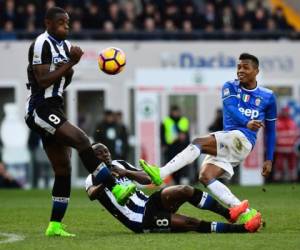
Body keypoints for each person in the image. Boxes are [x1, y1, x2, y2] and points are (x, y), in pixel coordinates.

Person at [24, 7, 135, 237]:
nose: (67, 26)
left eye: (68, 22)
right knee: (83, 140)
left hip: (55, 106)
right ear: (48, 23)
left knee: (63, 169)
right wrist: (70, 63)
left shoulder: (65, 47)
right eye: (62, 22)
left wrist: (70, 64)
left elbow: (65, 80)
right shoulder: (41, 43)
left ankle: (55, 225)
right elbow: (43, 80)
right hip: (39, 108)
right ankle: (115, 187)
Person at [140, 53, 277, 223]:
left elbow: (271, 130)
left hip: (243, 140)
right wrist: (247, 121)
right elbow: (231, 108)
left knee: (198, 143)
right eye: (238, 67)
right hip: (230, 139)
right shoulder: (230, 87)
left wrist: (269, 158)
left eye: (245, 67)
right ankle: (246, 212)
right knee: (205, 176)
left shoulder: (268, 97)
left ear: (256, 71)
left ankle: (161, 173)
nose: (240, 70)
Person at [86, 143, 262, 234]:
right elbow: (92, 194)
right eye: (99, 154)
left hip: (149, 202)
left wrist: (126, 173)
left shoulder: (119, 164)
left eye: (106, 152)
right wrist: (106, 181)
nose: (105, 155)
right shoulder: (91, 178)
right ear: (92, 159)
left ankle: (229, 214)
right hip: (140, 220)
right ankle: (244, 229)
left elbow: (148, 179)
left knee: (184, 189)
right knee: (190, 223)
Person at [161, 105, 190, 184]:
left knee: (181, 164)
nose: (176, 113)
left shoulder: (184, 120)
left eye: (177, 112)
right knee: (171, 163)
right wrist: (163, 145)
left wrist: (187, 142)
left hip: (181, 145)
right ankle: (174, 180)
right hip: (170, 146)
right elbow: (162, 134)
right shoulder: (166, 121)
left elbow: (187, 133)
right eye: (175, 112)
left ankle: (181, 180)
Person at [274, 106, 298, 182]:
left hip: (291, 149)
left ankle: (293, 179)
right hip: (280, 148)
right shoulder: (277, 122)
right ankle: (277, 180)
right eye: (284, 111)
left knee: (292, 165)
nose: (285, 113)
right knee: (279, 165)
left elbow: (296, 135)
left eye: (287, 111)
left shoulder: (292, 122)